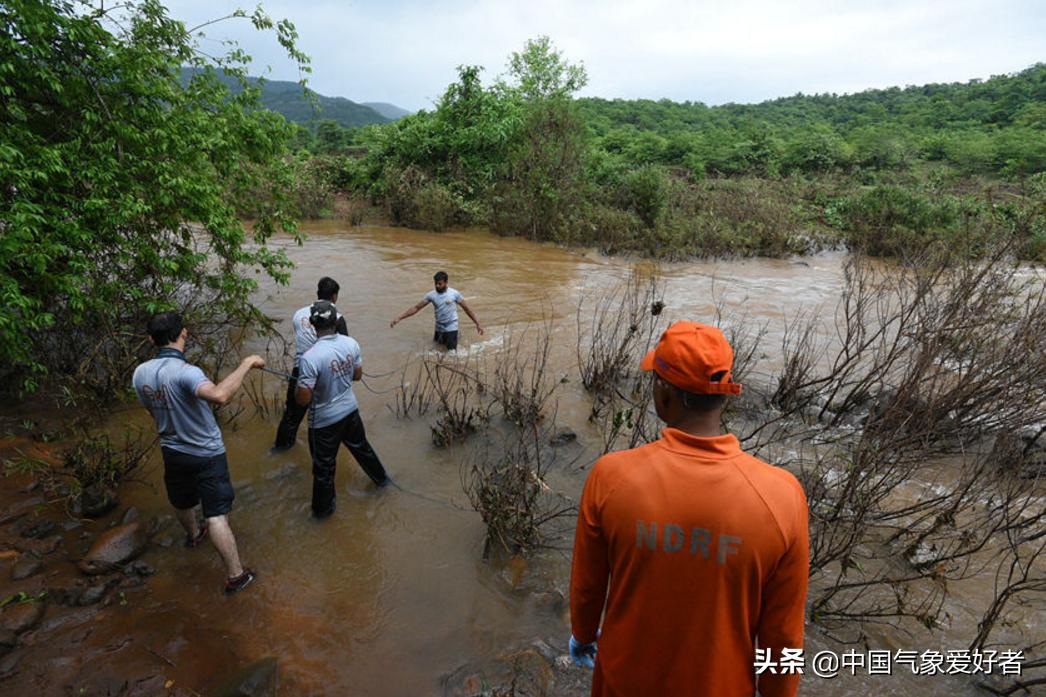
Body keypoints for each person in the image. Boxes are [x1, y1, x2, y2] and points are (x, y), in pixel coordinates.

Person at [568, 321, 809, 697]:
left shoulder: (610, 476)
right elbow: (783, 636)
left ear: (664, 392)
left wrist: (583, 636)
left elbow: (587, 588)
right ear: (724, 395)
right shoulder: (782, 496)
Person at [133, 311, 263, 595]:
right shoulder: (186, 372)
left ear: (151, 339)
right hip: (205, 451)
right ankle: (236, 576)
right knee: (216, 515)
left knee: (182, 501)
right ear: (184, 334)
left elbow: (150, 410)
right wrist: (247, 363)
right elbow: (219, 395)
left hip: (171, 448)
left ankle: (193, 536)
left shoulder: (139, 373)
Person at [295, 300, 389, 518]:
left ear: (311, 323)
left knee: (323, 470)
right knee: (362, 449)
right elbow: (357, 376)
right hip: (350, 412)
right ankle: (383, 481)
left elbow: (302, 400)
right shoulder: (351, 343)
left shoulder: (309, 358)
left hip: (323, 423)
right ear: (336, 321)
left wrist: (303, 386)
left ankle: (322, 515)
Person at [272, 277, 349, 452]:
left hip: (301, 369)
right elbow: (344, 348)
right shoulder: (337, 317)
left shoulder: (299, 314)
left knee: (292, 415)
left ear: (317, 293)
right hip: (327, 370)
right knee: (329, 416)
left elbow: (302, 338)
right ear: (335, 296)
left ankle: (280, 451)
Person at [389, 271, 483, 350]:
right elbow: (416, 308)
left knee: (451, 354)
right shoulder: (431, 295)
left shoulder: (454, 294)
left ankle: (457, 336)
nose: (437, 286)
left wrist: (477, 323)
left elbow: (466, 309)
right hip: (439, 327)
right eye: (436, 283)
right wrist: (399, 318)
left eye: (440, 284)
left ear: (446, 283)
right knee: (438, 350)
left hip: (451, 326)